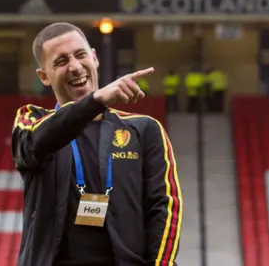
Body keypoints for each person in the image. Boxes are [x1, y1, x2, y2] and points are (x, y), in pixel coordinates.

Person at [11, 22, 183, 266]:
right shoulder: (32, 122)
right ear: (44, 76)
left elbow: (163, 208)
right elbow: (33, 143)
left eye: (80, 55)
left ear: (94, 57)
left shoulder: (144, 130)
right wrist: (95, 101)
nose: (75, 66)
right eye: (61, 62)